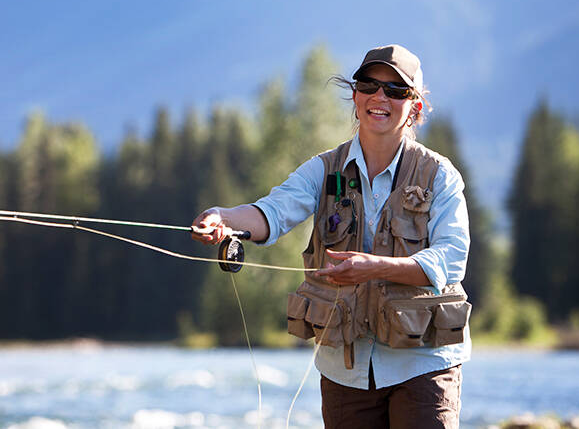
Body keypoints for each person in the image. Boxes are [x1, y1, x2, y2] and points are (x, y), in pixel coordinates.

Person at [191, 44, 470, 429]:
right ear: (354, 96)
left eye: (395, 90)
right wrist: (223, 217)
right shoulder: (324, 170)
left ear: (416, 108)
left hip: (422, 364)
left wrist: (375, 268)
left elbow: (452, 259)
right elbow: (271, 212)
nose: (379, 97)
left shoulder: (440, 176)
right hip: (346, 371)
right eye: (369, 85)